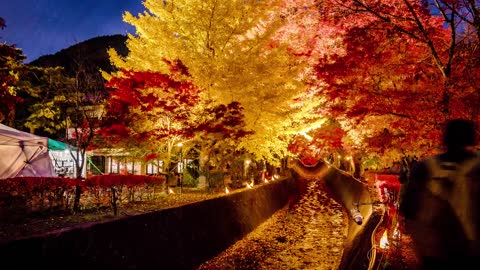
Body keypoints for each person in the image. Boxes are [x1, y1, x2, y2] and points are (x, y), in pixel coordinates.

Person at [399, 118, 480, 270]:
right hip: (471, 248)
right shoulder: (477, 168)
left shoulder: (425, 167)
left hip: (433, 248)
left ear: (445, 139)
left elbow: (408, 208)